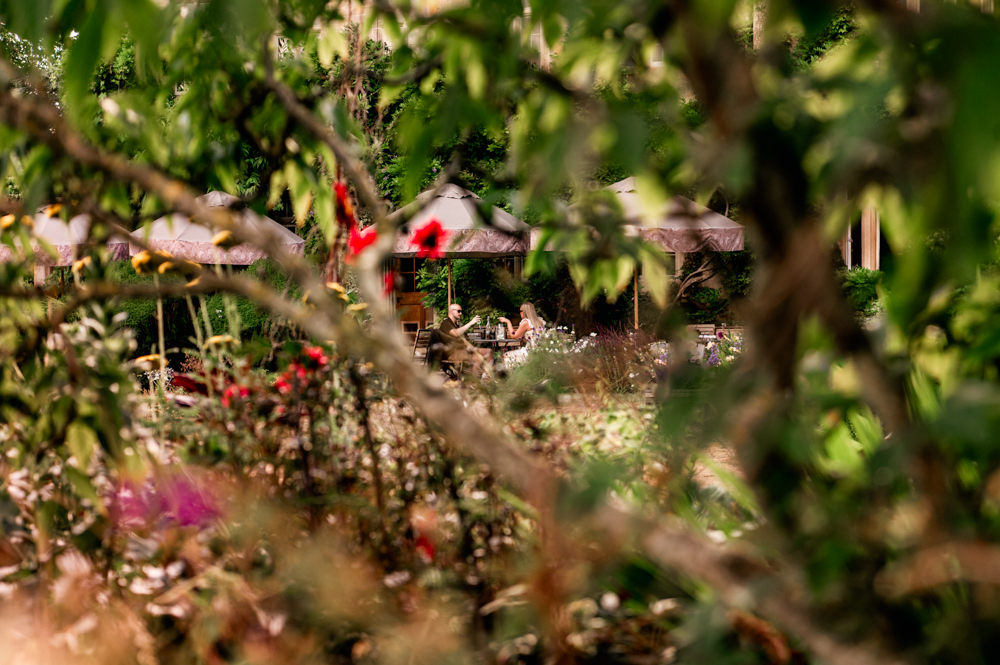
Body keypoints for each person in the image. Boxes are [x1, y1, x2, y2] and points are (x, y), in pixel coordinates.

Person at [433, 303, 491, 376]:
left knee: (489, 352)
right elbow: (456, 333)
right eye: (459, 311)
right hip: (452, 353)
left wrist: (473, 348)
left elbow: (464, 340)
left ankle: (486, 378)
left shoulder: (456, 325)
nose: (460, 313)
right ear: (452, 311)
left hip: (463, 350)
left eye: (461, 311)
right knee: (479, 358)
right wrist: (471, 323)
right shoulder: (446, 323)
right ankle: (474, 381)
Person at [498, 302, 545, 368]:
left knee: (506, 355)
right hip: (540, 352)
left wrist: (508, 322)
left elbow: (513, 336)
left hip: (530, 352)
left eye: (520, 311)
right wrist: (523, 338)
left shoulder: (526, 322)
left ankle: (509, 374)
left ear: (525, 312)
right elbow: (532, 340)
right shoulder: (540, 321)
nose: (519, 313)